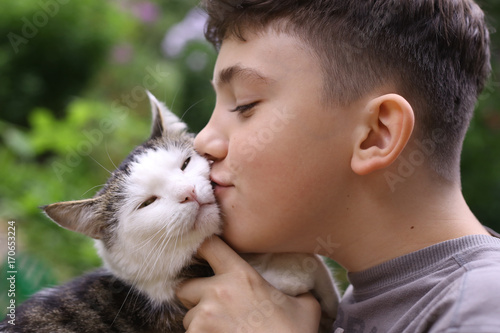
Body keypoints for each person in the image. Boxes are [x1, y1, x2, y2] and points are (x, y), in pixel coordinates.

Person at [176, 0, 500, 332]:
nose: (202, 142)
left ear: (376, 135)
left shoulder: (479, 309)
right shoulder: (351, 306)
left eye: (245, 105)